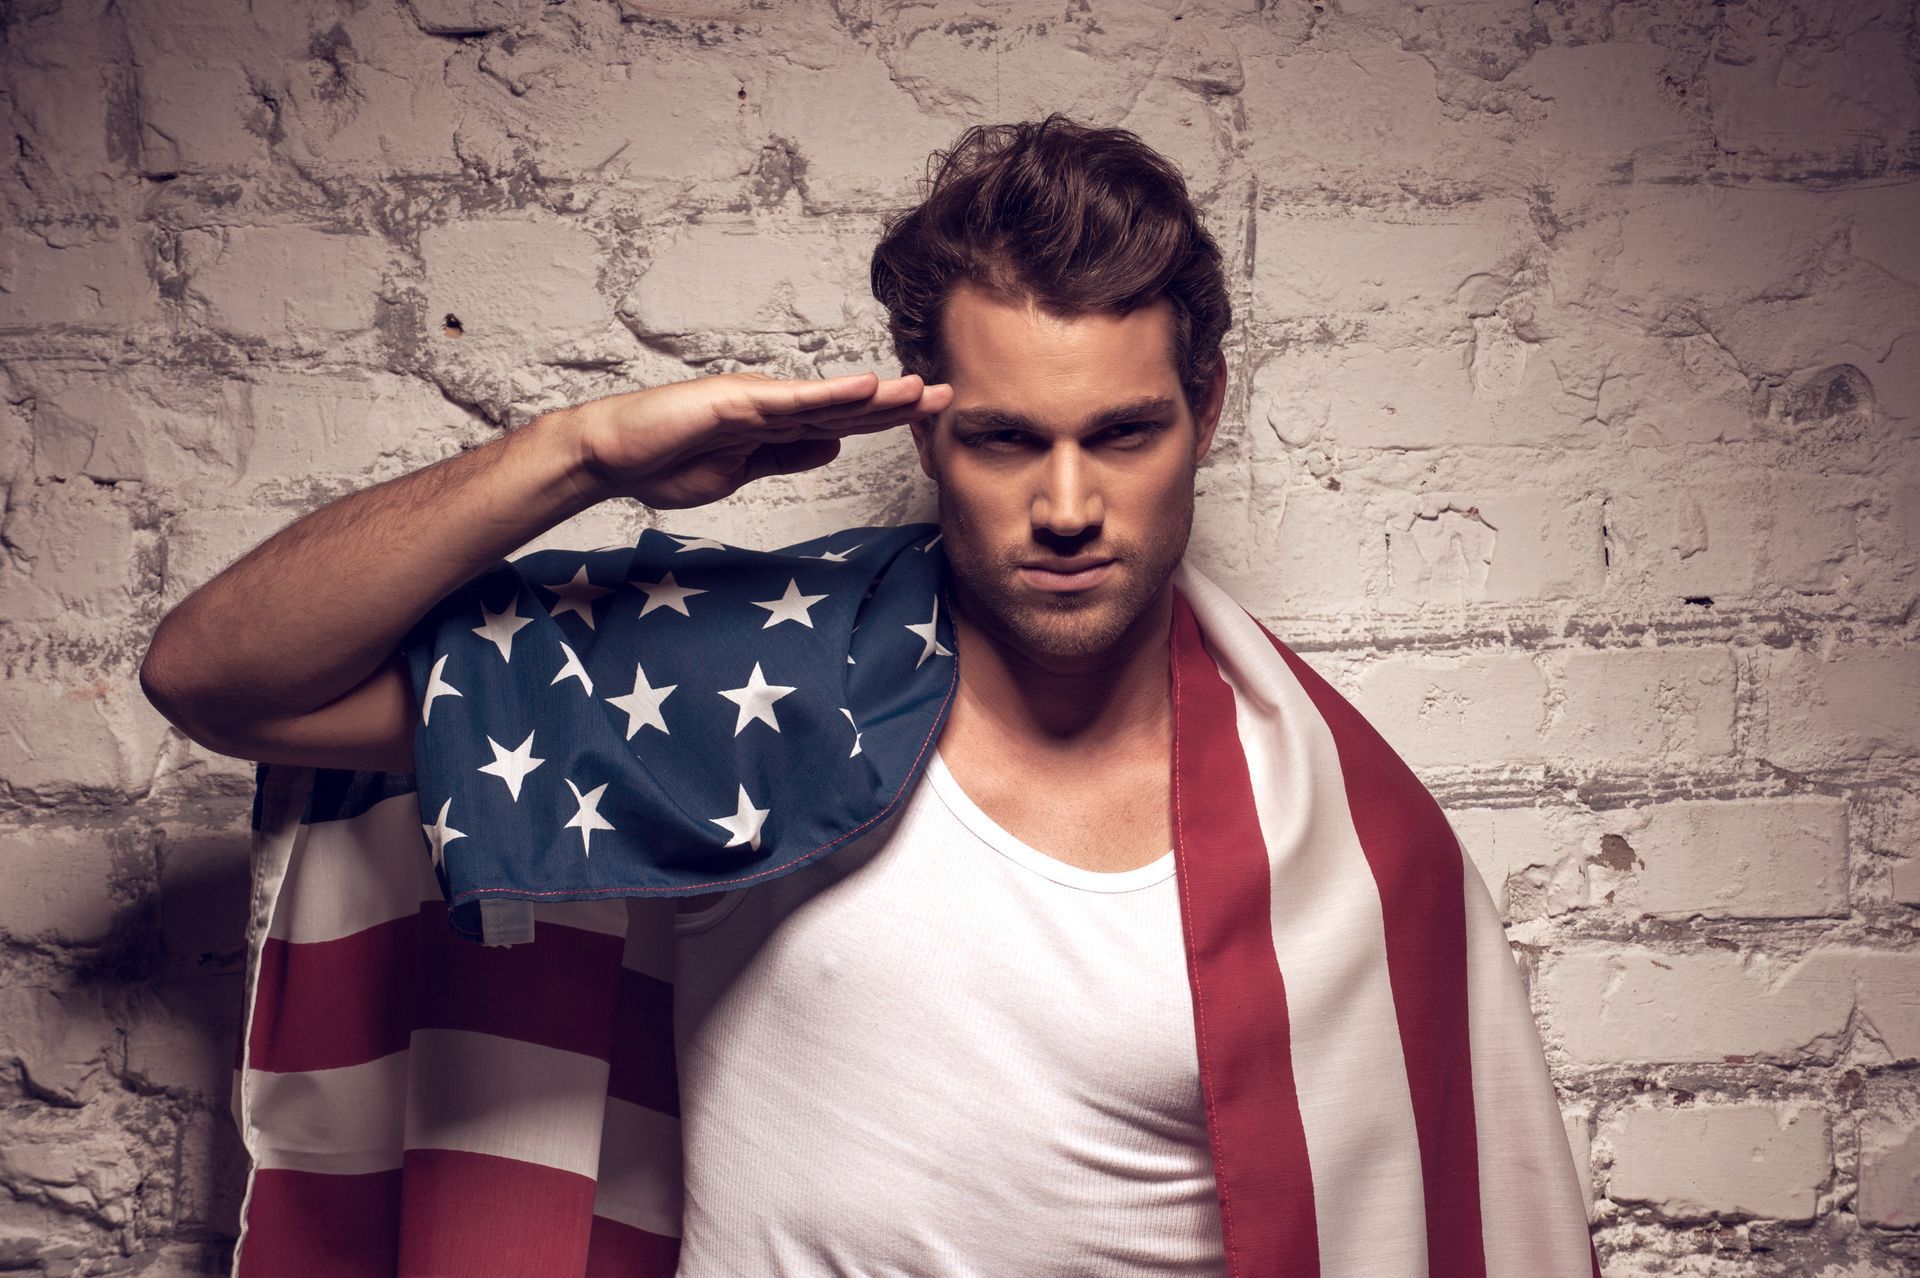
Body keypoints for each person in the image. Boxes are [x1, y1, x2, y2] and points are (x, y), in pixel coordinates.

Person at [142, 117, 1599, 1276]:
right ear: (921, 419)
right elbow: (216, 677)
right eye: (1007, 438)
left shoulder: (1344, 851)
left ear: (1205, 413)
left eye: (1127, 432)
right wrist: (585, 454)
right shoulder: (749, 692)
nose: (1071, 503)